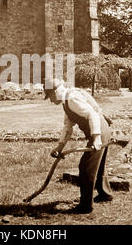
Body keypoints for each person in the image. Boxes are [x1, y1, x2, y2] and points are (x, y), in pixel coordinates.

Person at [44, 78, 113, 214]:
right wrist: (60, 146)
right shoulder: (67, 101)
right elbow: (68, 127)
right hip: (101, 131)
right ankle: (105, 194)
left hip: (100, 132)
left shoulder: (72, 98)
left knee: (86, 166)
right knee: (98, 166)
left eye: (50, 96)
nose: (51, 100)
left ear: (57, 90)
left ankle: (85, 206)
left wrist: (96, 138)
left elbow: (92, 114)